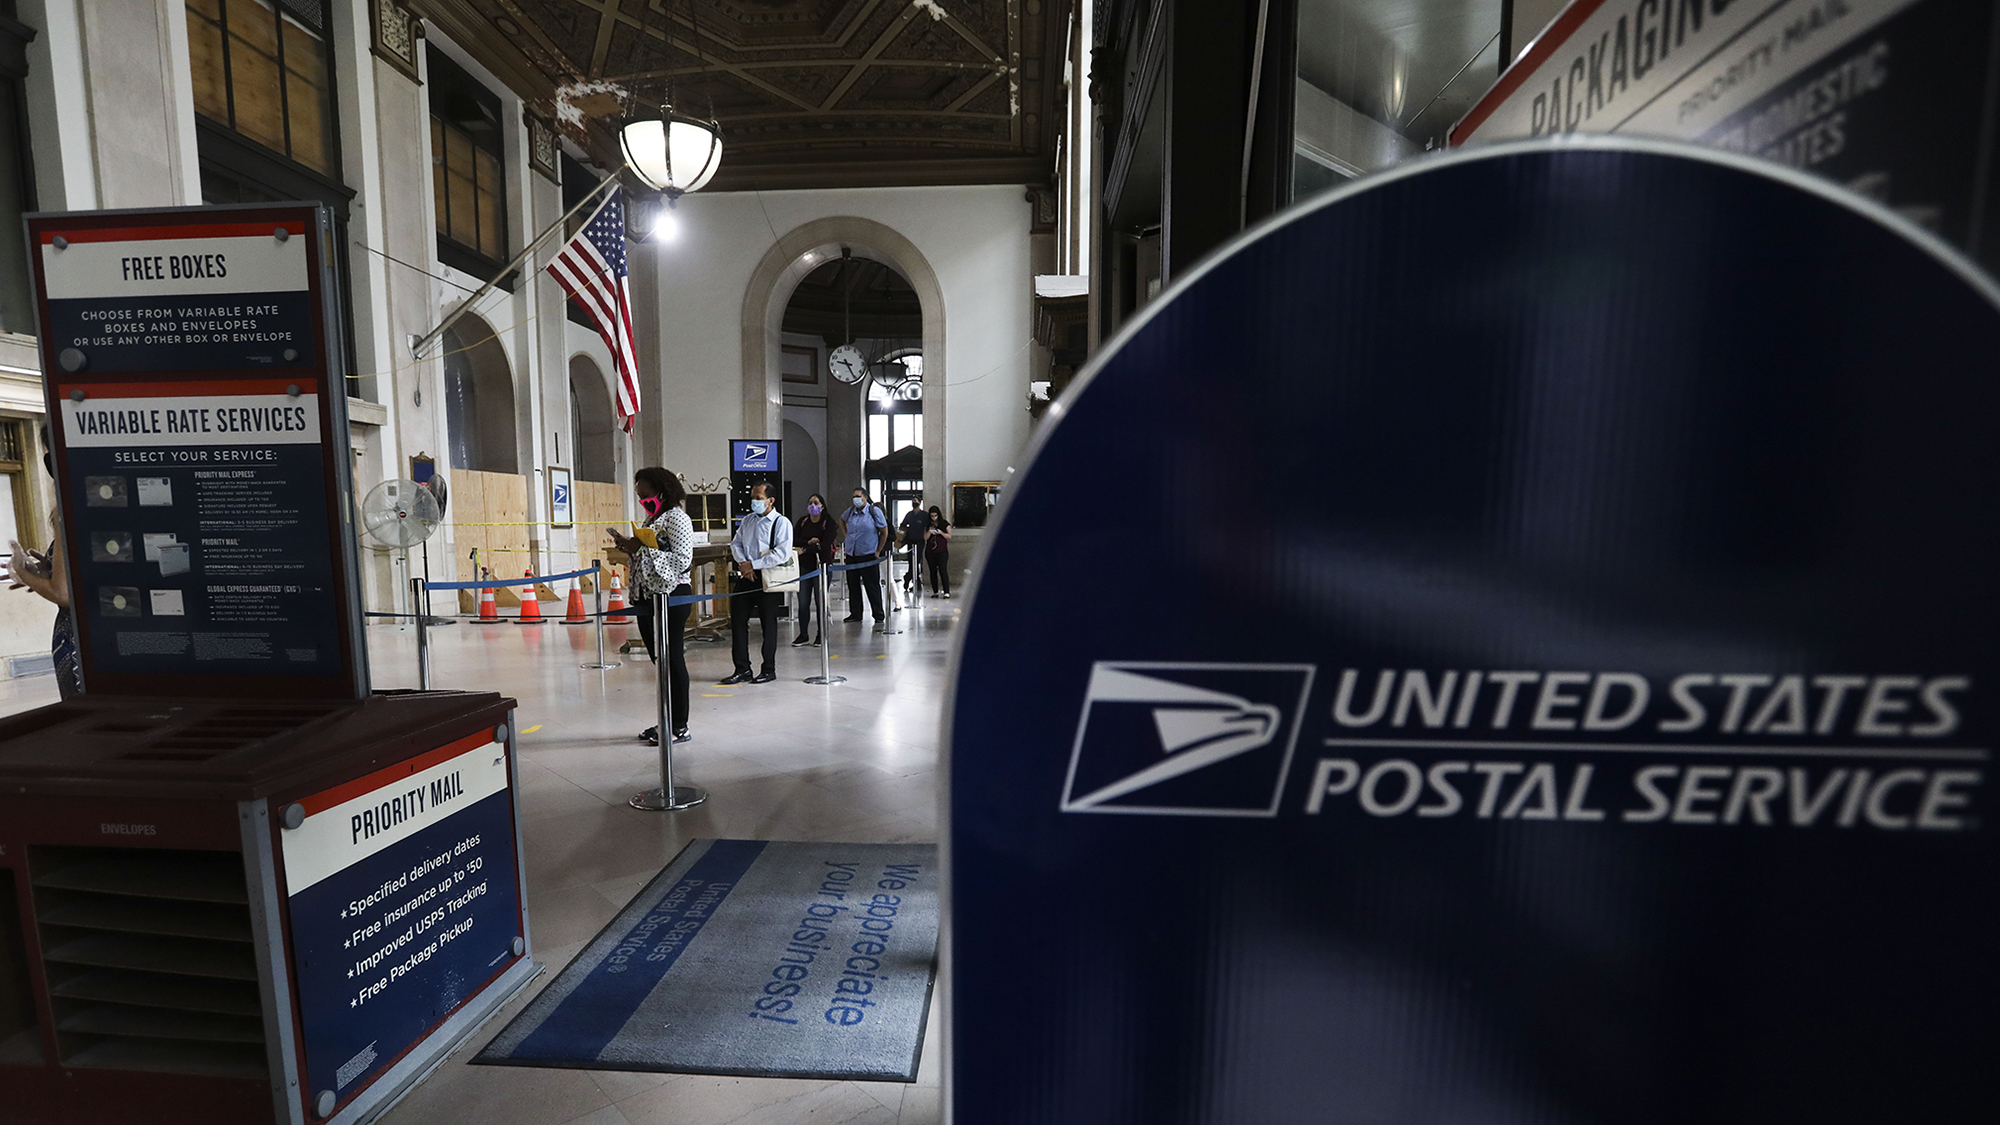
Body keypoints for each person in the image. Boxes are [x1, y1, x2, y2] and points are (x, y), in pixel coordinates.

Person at [607, 467, 694, 745]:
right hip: (647, 597)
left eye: (645, 494)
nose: (642, 499)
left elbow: (682, 560)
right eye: (639, 495)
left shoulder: (677, 518)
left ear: (662, 491)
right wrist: (629, 546)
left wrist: (641, 549)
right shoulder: (653, 517)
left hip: (672, 595)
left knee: (673, 660)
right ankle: (665, 719)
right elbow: (649, 554)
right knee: (660, 662)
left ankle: (680, 725)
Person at [721, 482, 793, 684]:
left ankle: (768, 668)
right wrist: (744, 564)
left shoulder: (781, 523)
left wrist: (754, 564)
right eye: (753, 497)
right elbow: (736, 543)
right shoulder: (748, 521)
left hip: (767, 578)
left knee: (768, 625)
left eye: (759, 498)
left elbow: (781, 553)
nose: (754, 502)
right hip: (746, 577)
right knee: (738, 622)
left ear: (771, 501)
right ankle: (742, 668)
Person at [840, 487, 890, 629]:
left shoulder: (874, 512)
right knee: (853, 585)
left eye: (858, 496)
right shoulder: (850, 512)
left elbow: (884, 531)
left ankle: (878, 614)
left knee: (872, 585)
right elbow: (841, 520)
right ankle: (855, 613)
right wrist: (847, 535)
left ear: (865, 497)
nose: (855, 499)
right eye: (854, 496)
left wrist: (878, 550)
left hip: (868, 554)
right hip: (852, 554)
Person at [792, 493, 836, 647]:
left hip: (822, 567)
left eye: (816, 502)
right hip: (804, 567)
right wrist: (809, 543)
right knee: (803, 602)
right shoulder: (802, 522)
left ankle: (821, 634)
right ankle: (803, 634)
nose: (813, 505)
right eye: (810, 502)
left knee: (820, 602)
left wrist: (804, 549)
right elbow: (794, 539)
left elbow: (825, 544)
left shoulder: (828, 523)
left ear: (822, 506)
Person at [896, 501, 930, 598]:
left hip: (920, 541)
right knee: (911, 562)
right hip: (910, 541)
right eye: (913, 501)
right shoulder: (909, 515)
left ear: (920, 502)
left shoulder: (924, 515)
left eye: (916, 501)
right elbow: (902, 525)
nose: (914, 502)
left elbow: (928, 526)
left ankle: (908, 578)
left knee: (917, 562)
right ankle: (915, 582)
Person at [923, 505, 952, 599]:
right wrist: (929, 531)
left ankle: (946, 591)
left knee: (943, 570)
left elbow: (949, 536)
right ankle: (935, 591)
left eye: (935, 516)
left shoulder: (944, 523)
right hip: (930, 551)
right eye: (932, 516)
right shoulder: (927, 524)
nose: (934, 518)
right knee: (933, 571)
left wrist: (941, 533)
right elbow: (925, 538)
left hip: (942, 551)